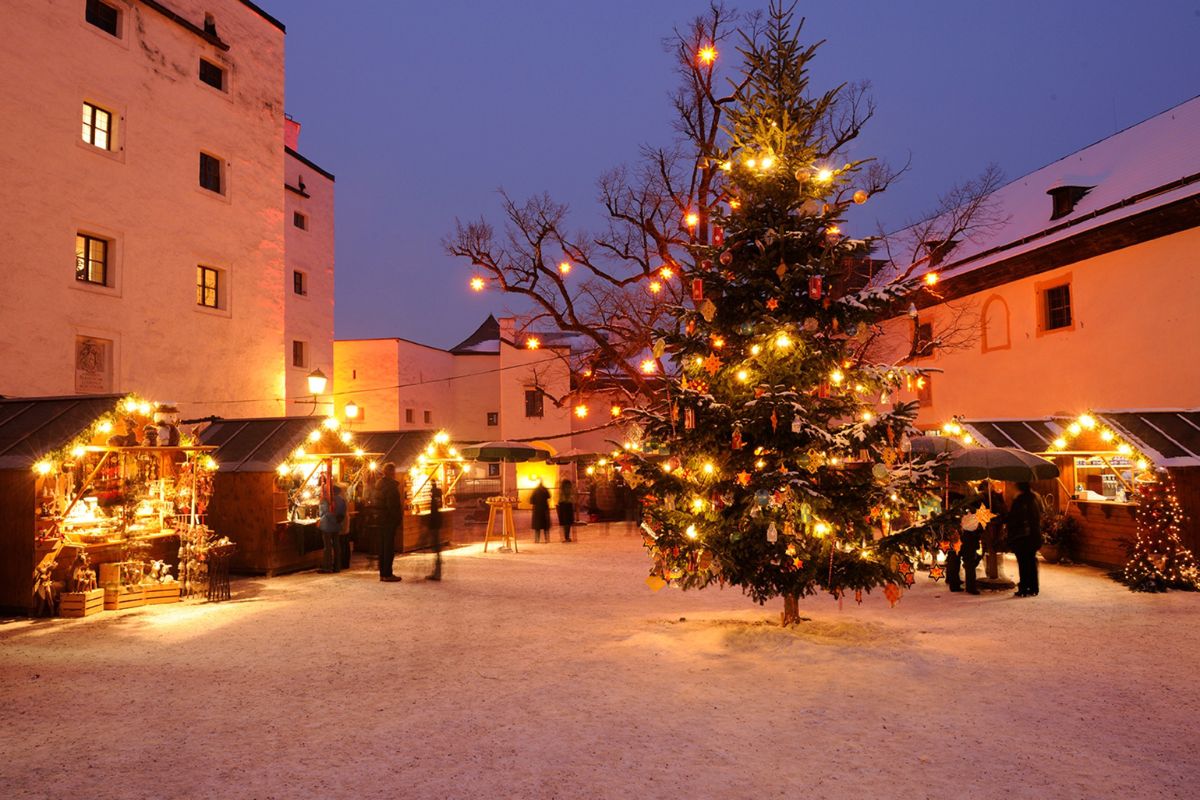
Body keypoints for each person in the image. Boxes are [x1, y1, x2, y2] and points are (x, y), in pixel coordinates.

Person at [1008, 481, 1043, 597]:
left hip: (1022, 536)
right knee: (1031, 561)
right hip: (1034, 535)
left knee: (1023, 563)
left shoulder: (1019, 501)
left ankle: (1023, 588)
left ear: (1018, 487)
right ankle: (1034, 587)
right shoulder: (1035, 498)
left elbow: (1013, 519)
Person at [375, 463, 403, 582]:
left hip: (380, 520)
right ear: (392, 473)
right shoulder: (391, 487)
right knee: (388, 548)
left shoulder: (379, 485)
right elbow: (393, 506)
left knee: (382, 548)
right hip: (388, 521)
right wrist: (397, 519)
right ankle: (387, 574)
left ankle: (383, 573)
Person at [317, 484, 346, 573]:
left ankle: (327, 566)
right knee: (336, 546)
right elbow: (342, 513)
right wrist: (337, 521)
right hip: (336, 525)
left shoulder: (325, 500)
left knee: (327, 547)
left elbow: (323, 513)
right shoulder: (341, 500)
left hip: (327, 525)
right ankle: (337, 566)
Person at [426, 478, 444, 581]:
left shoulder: (434, 498)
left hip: (435, 524)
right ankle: (437, 572)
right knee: (436, 549)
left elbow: (434, 513)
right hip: (437, 523)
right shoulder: (438, 497)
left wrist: (431, 524)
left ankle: (437, 573)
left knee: (436, 548)